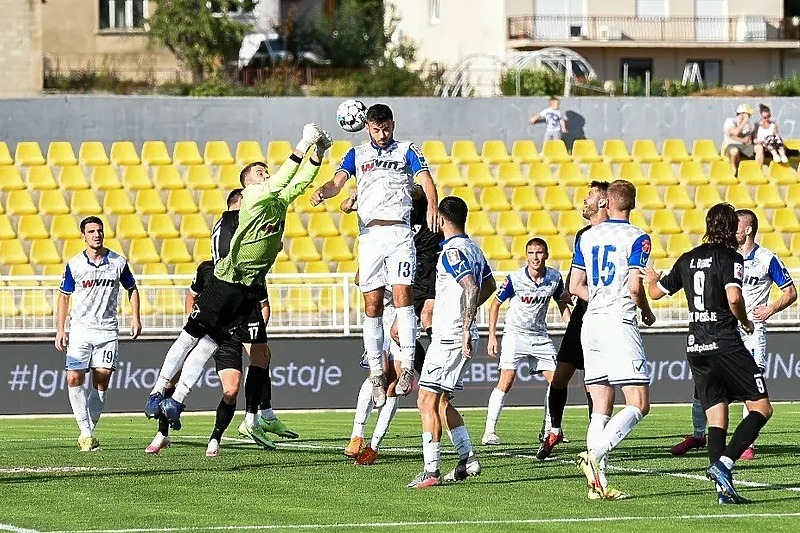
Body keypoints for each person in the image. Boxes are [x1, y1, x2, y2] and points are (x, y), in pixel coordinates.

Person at [145, 123, 332, 430]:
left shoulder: (276, 201)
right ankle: (156, 392)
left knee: (207, 345)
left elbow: (299, 183)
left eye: (265, 171)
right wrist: (304, 142)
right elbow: (286, 176)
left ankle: (177, 401)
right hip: (226, 280)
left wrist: (320, 152)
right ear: (247, 184)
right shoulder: (255, 195)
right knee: (190, 336)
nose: (265, 174)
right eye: (259, 171)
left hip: (247, 289)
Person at [644, 203, 774, 505]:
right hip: (725, 343)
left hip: (696, 346)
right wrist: (744, 321)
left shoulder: (687, 258)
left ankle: (723, 492)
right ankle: (724, 464)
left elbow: (655, 293)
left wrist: (651, 278)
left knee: (717, 415)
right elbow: (733, 296)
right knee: (762, 408)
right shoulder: (731, 257)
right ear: (730, 229)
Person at [310, 104, 438, 407]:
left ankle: (407, 366)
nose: (382, 134)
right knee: (372, 303)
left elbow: (426, 178)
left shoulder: (408, 149)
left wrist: (432, 203)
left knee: (404, 296)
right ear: (367, 126)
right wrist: (323, 191)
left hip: (400, 233)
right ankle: (377, 374)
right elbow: (337, 182)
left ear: (393, 124)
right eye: (377, 129)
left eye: (387, 128)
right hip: (369, 236)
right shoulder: (357, 154)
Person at [669, 209, 795, 460]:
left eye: (737, 225)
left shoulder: (767, 259)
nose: (732, 229)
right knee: (705, 387)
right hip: (721, 329)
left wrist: (770, 309)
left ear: (748, 229)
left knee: (753, 387)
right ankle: (698, 435)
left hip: (751, 331)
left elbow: (790, 292)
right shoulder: (725, 257)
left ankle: (747, 443)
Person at [570, 179, 655, 500]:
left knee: (600, 409)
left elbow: (576, 285)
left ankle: (597, 485)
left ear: (609, 202)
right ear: (632, 204)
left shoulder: (588, 237)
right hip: (619, 321)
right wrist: (646, 311)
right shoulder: (638, 238)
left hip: (591, 322)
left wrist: (601, 299)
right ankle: (594, 455)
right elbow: (635, 287)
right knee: (639, 403)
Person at [408, 196, 496, 488]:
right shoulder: (473, 248)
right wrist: (466, 317)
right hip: (457, 334)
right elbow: (489, 286)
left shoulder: (452, 252)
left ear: (442, 220)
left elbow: (471, 286)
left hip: (450, 337)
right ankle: (467, 458)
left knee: (426, 399)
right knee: (441, 400)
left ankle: (431, 470)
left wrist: (464, 325)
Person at [55, 216, 142, 452]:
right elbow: (64, 296)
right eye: (91, 231)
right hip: (81, 330)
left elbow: (132, 289)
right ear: (83, 235)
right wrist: (61, 329)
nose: (96, 235)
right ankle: (86, 433)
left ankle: (88, 431)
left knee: (101, 380)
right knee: (74, 378)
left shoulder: (118, 262)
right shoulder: (74, 264)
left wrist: (135, 317)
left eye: (99, 231)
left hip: (107, 330)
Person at [537, 181, 609, 460]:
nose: (584, 199)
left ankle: (597, 442)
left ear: (603, 202)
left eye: (590, 195)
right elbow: (574, 276)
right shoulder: (583, 234)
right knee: (560, 376)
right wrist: (569, 292)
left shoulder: (615, 234)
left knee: (596, 382)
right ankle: (554, 429)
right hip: (581, 311)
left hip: (602, 313)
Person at [482, 238, 570, 446]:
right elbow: (494, 305)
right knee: (507, 380)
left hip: (539, 336)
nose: (535, 257)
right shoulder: (515, 278)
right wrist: (493, 335)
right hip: (515, 334)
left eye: (539, 253)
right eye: (531, 253)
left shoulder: (555, 278)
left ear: (546, 255)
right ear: (526, 255)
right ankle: (489, 431)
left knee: (557, 382)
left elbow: (562, 304)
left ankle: (550, 429)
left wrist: (573, 327)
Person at [722, 103, 759, 176]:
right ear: (742, 114)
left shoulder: (748, 124)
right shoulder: (730, 121)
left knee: (759, 148)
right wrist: (744, 121)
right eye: (748, 114)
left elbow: (749, 139)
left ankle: (757, 171)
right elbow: (735, 132)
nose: (749, 116)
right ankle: (734, 170)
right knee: (734, 151)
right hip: (731, 146)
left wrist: (750, 140)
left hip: (744, 147)